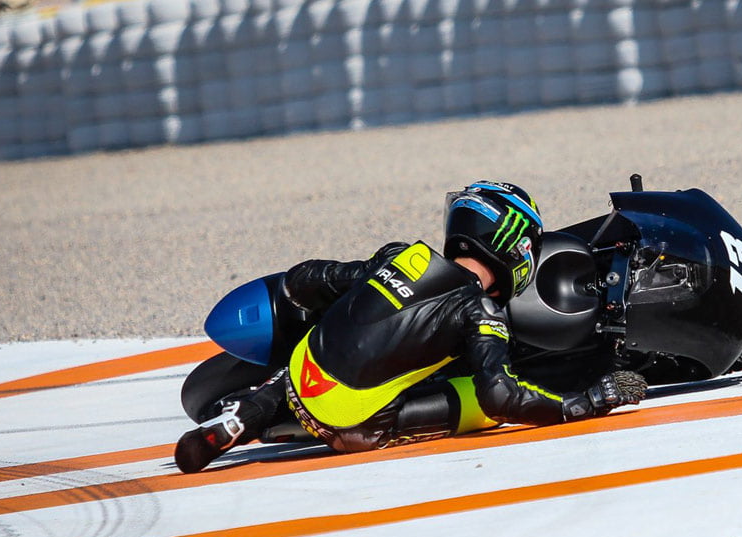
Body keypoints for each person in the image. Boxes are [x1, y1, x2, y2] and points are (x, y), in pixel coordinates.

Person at [175, 181, 648, 473]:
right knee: (476, 400)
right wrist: (586, 402)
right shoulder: (481, 312)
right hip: (350, 426)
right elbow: (499, 396)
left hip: (301, 374)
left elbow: (307, 278)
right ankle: (325, 416)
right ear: (516, 245)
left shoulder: (402, 254)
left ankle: (246, 413)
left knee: (326, 343)